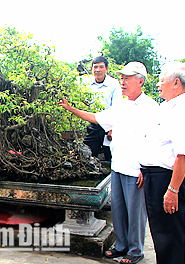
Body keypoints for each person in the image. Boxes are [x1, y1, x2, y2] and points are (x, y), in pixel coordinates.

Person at [59, 62, 158, 263]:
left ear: (140, 81)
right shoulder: (121, 105)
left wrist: (146, 169)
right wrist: (70, 108)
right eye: (121, 78)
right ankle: (121, 245)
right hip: (119, 166)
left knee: (136, 213)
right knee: (119, 210)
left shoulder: (150, 107)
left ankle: (135, 251)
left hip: (136, 169)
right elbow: (96, 118)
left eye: (127, 78)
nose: (122, 82)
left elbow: (154, 141)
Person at [139, 62, 185, 263]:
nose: (158, 84)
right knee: (160, 234)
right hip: (153, 176)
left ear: (175, 83)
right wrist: (144, 168)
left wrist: (173, 190)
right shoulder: (166, 107)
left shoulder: (184, 109)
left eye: (162, 79)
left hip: (167, 178)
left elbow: (183, 155)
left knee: (170, 236)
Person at [82, 56, 123, 161]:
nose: (98, 70)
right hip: (93, 123)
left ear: (106, 68)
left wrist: (112, 128)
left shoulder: (113, 84)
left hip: (109, 125)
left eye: (101, 67)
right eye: (95, 67)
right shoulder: (87, 83)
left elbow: (118, 107)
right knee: (88, 154)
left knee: (111, 156)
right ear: (92, 69)